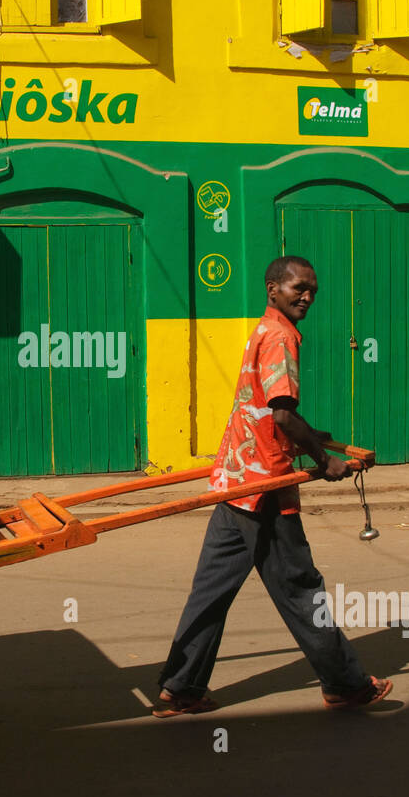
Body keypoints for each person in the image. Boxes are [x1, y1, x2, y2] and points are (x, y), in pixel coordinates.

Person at [151, 256, 392, 718]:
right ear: (272, 288)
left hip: (236, 478)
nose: (307, 296)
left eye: (313, 290)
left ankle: (180, 687)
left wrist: (311, 436)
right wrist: (326, 461)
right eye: (299, 287)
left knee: (211, 590)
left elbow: (267, 412)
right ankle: (346, 685)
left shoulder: (263, 330)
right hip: (265, 486)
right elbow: (281, 414)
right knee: (300, 587)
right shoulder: (281, 336)